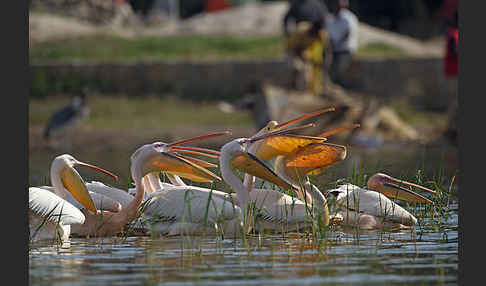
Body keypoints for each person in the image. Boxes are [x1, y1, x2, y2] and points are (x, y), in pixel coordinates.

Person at [282, 0, 330, 95]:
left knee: (315, 71)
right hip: (292, 52)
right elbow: (292, 48)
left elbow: (326, 50)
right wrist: (302, 55)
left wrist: (324, 61)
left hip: (307, 52)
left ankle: (313, 92)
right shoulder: (301, 30)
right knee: (300, 69)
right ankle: (298, 91)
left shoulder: (321, 35)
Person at [326, 0, 358, 88]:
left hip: (345, 50)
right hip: (333, 50)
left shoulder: (349, 18)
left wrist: (337, 42)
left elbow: (348, 33)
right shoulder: (330, 18)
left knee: (338, 72)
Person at [442, 10, 458, 146]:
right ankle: (451, 129)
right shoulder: (453, 34)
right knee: (455, 102)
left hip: (454, 73)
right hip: (454, 73)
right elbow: (454, 53)